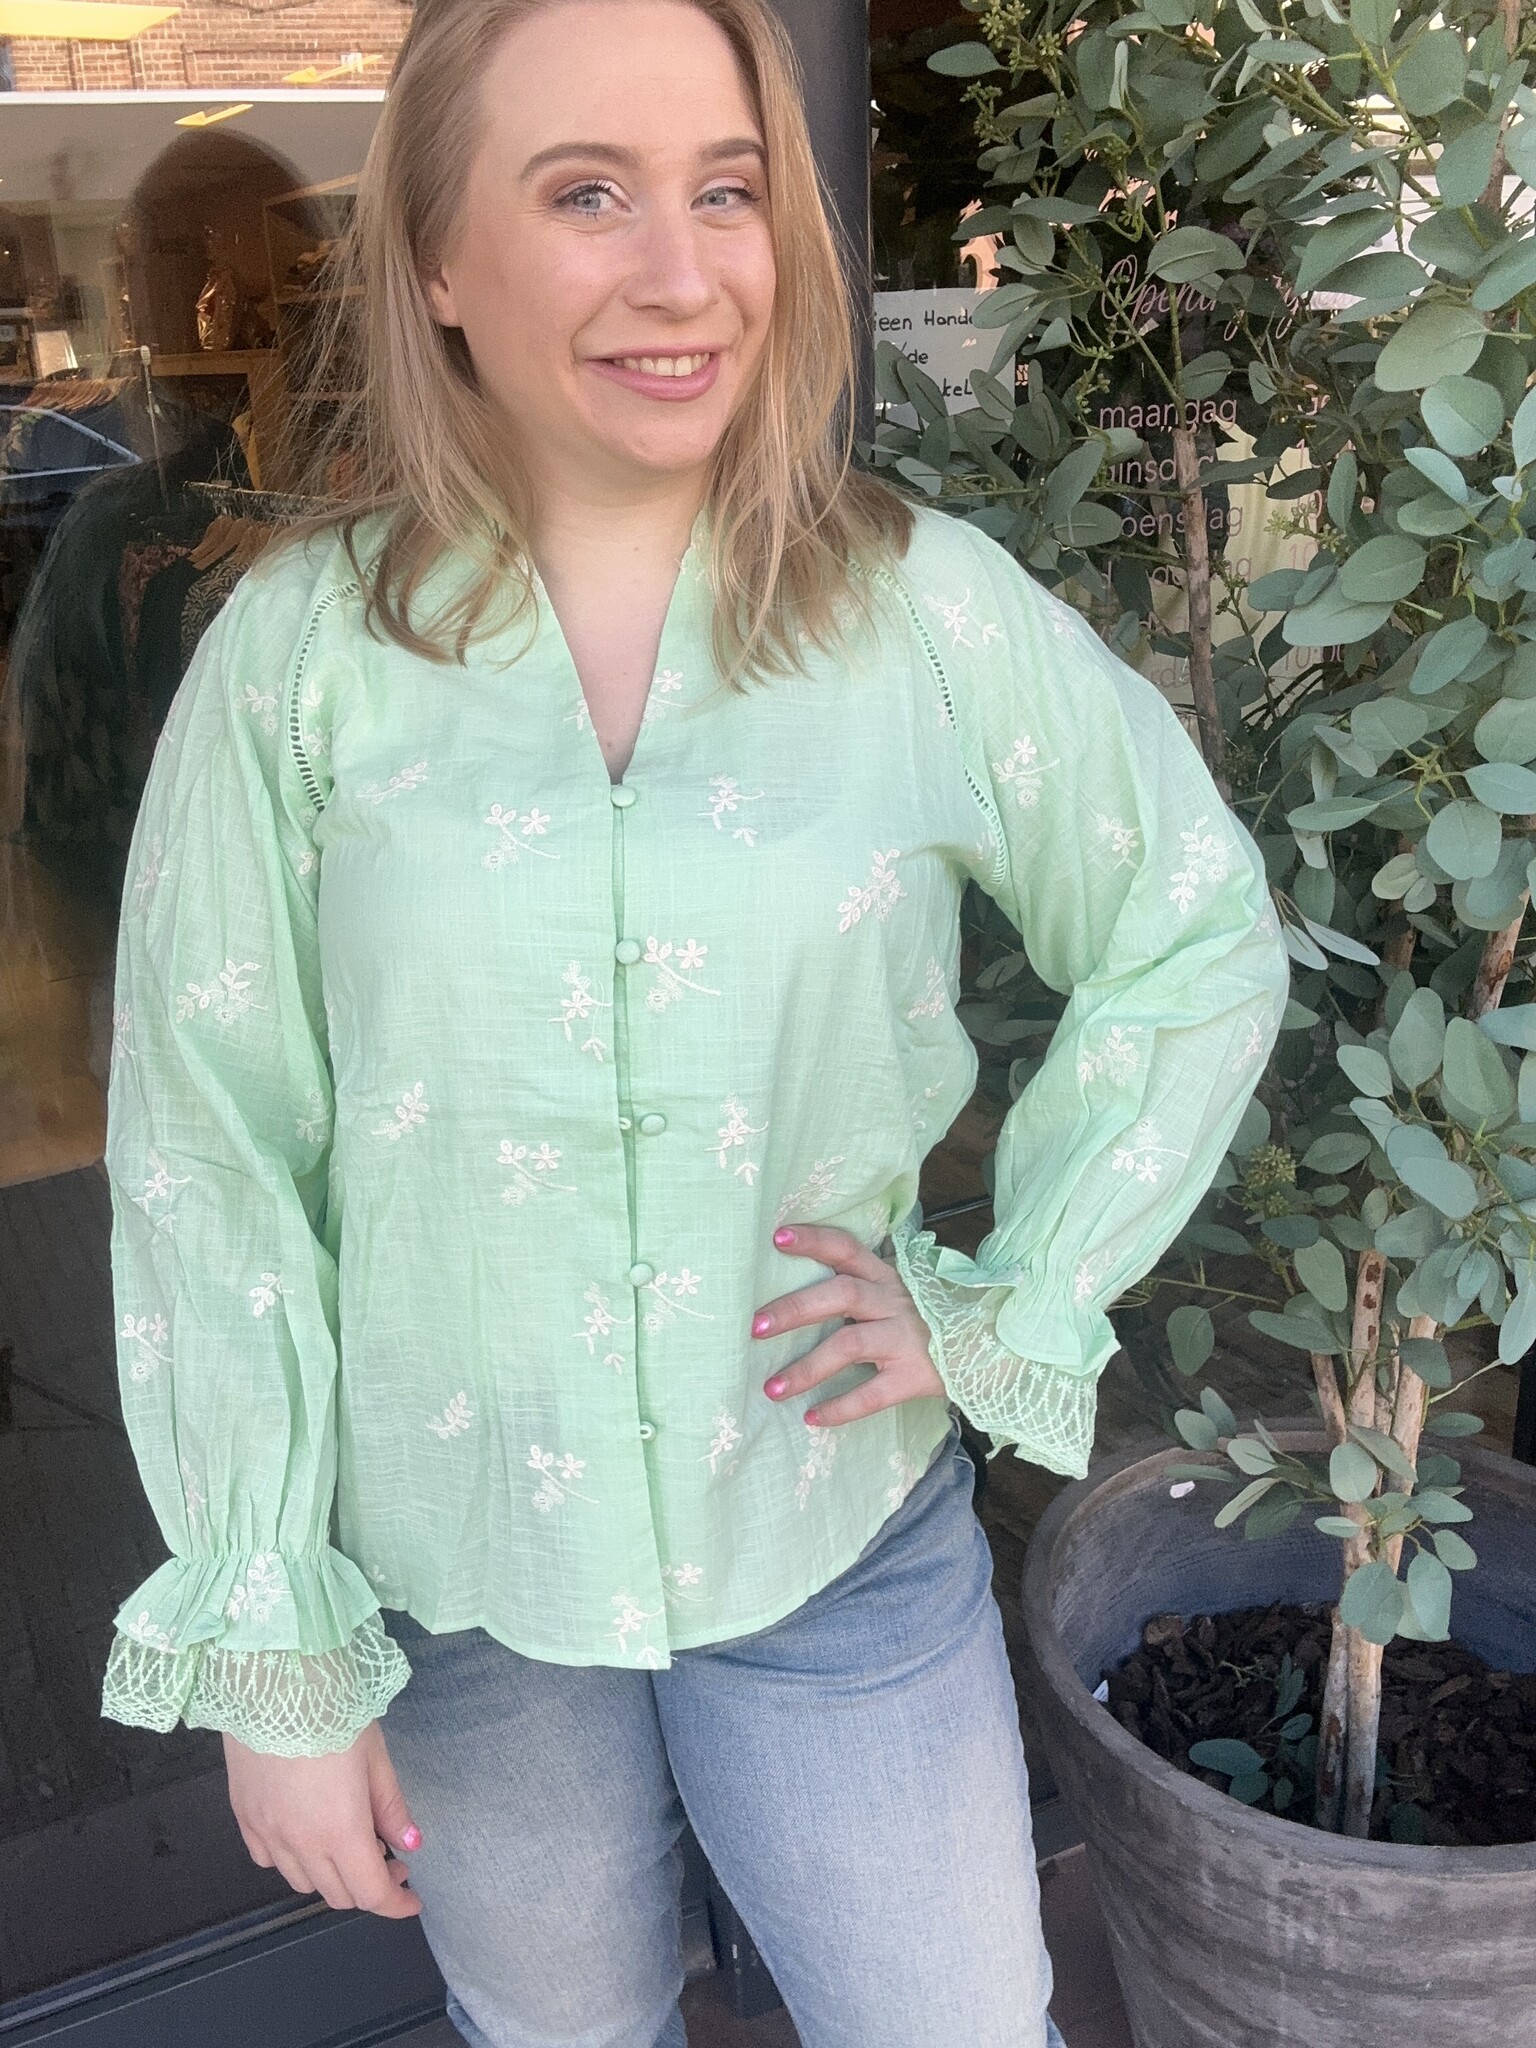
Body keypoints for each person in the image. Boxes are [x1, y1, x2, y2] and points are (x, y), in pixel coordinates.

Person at [96, 2, 1291, 2044]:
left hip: (829, 1528)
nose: (682, 273)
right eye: (588, 194)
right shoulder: (302, 662)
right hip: (464, 1577)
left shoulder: (921, 614)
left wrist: (1010, 1294)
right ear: (439, 259)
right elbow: (212, 1150)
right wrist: (272, 1636)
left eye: (725, 192)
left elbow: (1189, 928)